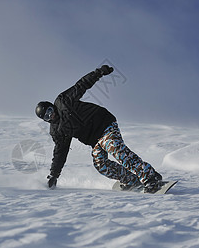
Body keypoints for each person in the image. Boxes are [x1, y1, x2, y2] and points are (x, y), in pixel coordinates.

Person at [35, 65, 163, 193]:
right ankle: (131, 180)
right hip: (95, 140)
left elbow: (81, 85)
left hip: (105, 125)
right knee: (101, 165)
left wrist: (99, 73)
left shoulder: (63, 101)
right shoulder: (57, 131)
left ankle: (150, 177)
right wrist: (54, 175)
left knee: (116, 149)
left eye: (50, 111)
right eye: (47, 117)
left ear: (52, 106)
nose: (51, 115)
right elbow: (60, 152)